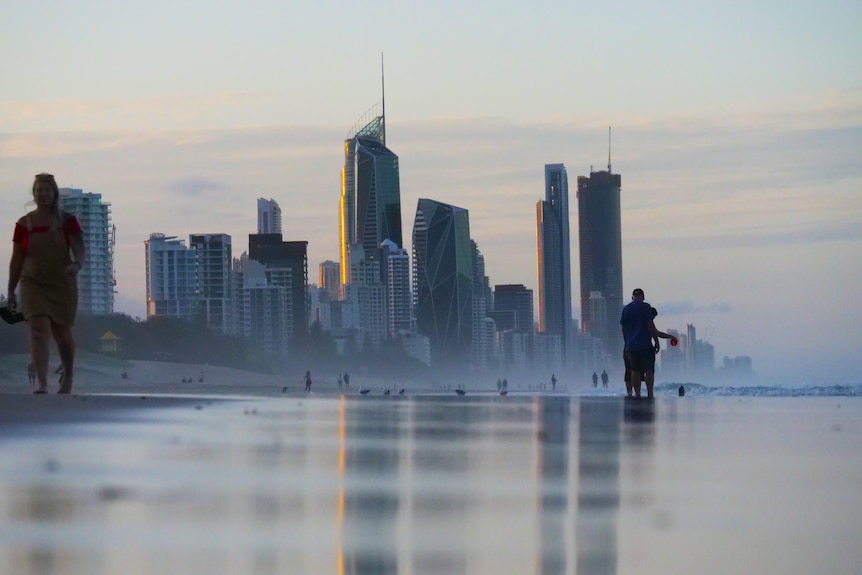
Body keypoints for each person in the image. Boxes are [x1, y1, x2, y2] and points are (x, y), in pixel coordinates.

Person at [7, 173, 85, 394]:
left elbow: (79, 248)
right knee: (38, 329)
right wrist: (11, 290)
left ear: (54, 194)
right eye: (39, 190)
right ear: (34, 194)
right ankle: (42, 382)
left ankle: (68, 374)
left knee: (62, 333)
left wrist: (77, 265)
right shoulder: (23, 224)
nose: (43, 194)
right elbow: (17, 259)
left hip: (62, 282)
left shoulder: (68, 221)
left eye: (47, 190)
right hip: (32, 282)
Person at [620, 289, 673, 398]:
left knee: (634, 370)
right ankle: (650, 393)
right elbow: (651, 326)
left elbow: (623, 329)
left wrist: (626, 344)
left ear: (632, 297)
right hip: (645, 345)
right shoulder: (645, 307)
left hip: (631, 346)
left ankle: (637, 394)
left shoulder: (626, 309)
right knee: (649, 370)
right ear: (643, 297)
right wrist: (657, 342)